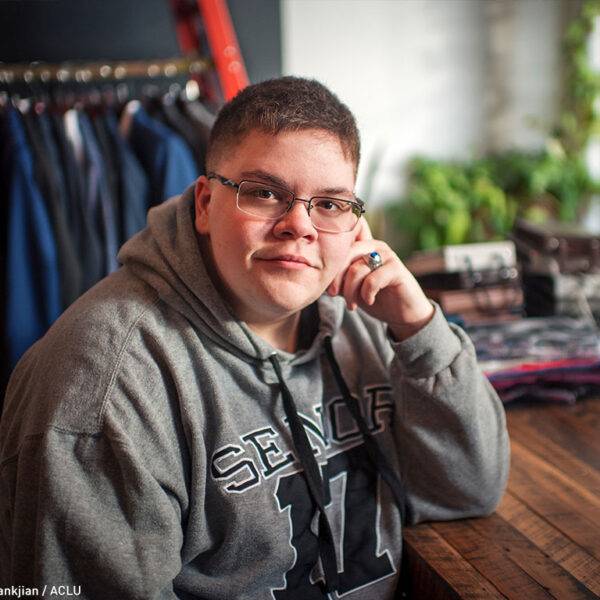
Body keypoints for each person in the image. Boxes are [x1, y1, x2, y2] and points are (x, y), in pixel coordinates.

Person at [0, 76, 510, 599]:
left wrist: (419, 327)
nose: (299, 226)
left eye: (330, 204)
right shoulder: (105, 383)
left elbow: (469, 492)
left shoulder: (363, 312)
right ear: (204, 203)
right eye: (265, 193)